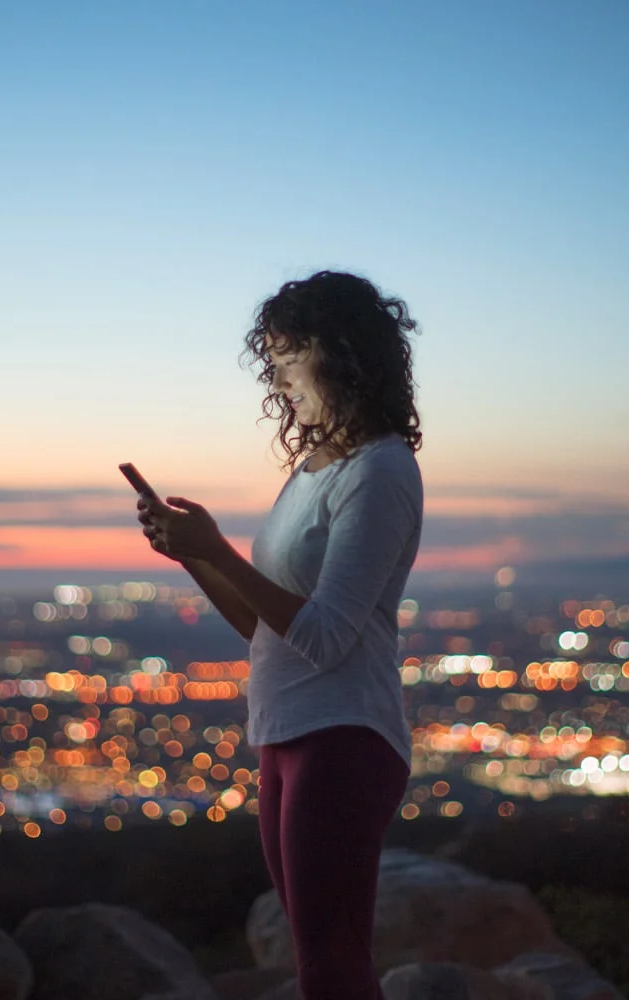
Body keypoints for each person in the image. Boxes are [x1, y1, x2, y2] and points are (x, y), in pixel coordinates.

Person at [135, 269, 423, 999]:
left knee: (332, 966)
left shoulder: (380, 471)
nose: (282, 378)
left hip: (344, 737)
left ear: (344, 357)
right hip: (286, 731)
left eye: (293, 358)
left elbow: (325, 637)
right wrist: (193, 555)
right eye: (275, 361)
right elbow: (261, 628)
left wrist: (222, 548)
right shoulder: (311, 473)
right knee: (321, 959)